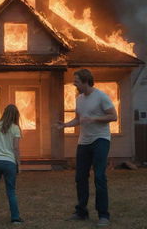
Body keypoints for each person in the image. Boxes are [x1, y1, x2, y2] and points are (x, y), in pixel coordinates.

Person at [57, 69, 117, 227]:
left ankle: (103, 215)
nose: (74, 83)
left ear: (85, 81)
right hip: (84, 142)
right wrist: (65, 125)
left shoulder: (101, 96)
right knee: (80, 177)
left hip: (100, 140)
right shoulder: (79, 99)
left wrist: (94, 119)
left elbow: (113, 116)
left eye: (76, 81)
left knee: (99, 177)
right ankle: (81, 212)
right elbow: (79, 119)